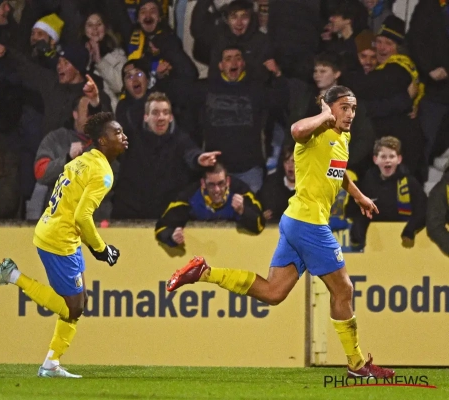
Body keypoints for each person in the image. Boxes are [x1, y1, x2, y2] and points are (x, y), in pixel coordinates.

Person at [165, 85, 395, 378]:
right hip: (309, 224)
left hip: (297, 221)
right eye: (344, 107)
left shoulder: (343, 136)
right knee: (344, 290)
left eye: (353, 108)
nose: (350, 114)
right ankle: (357, 364)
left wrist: (358, 196)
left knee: (273, 293)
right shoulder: (314, 132)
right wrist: (324, 115)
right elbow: (296, 130)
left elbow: (338, 171)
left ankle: (204, 272)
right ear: (328, 106)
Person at [0, 112, 127, 378]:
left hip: (58, 231)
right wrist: (102, 249)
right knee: (73, 308)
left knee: (79, 301)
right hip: (60, 239)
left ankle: (51, 364)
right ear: (103, 140)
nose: (124, 136)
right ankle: (12, 275)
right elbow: (83, 216)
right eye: (117, 133)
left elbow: (73, 208)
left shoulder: (82, 160)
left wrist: (94, 246)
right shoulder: (103, 172)